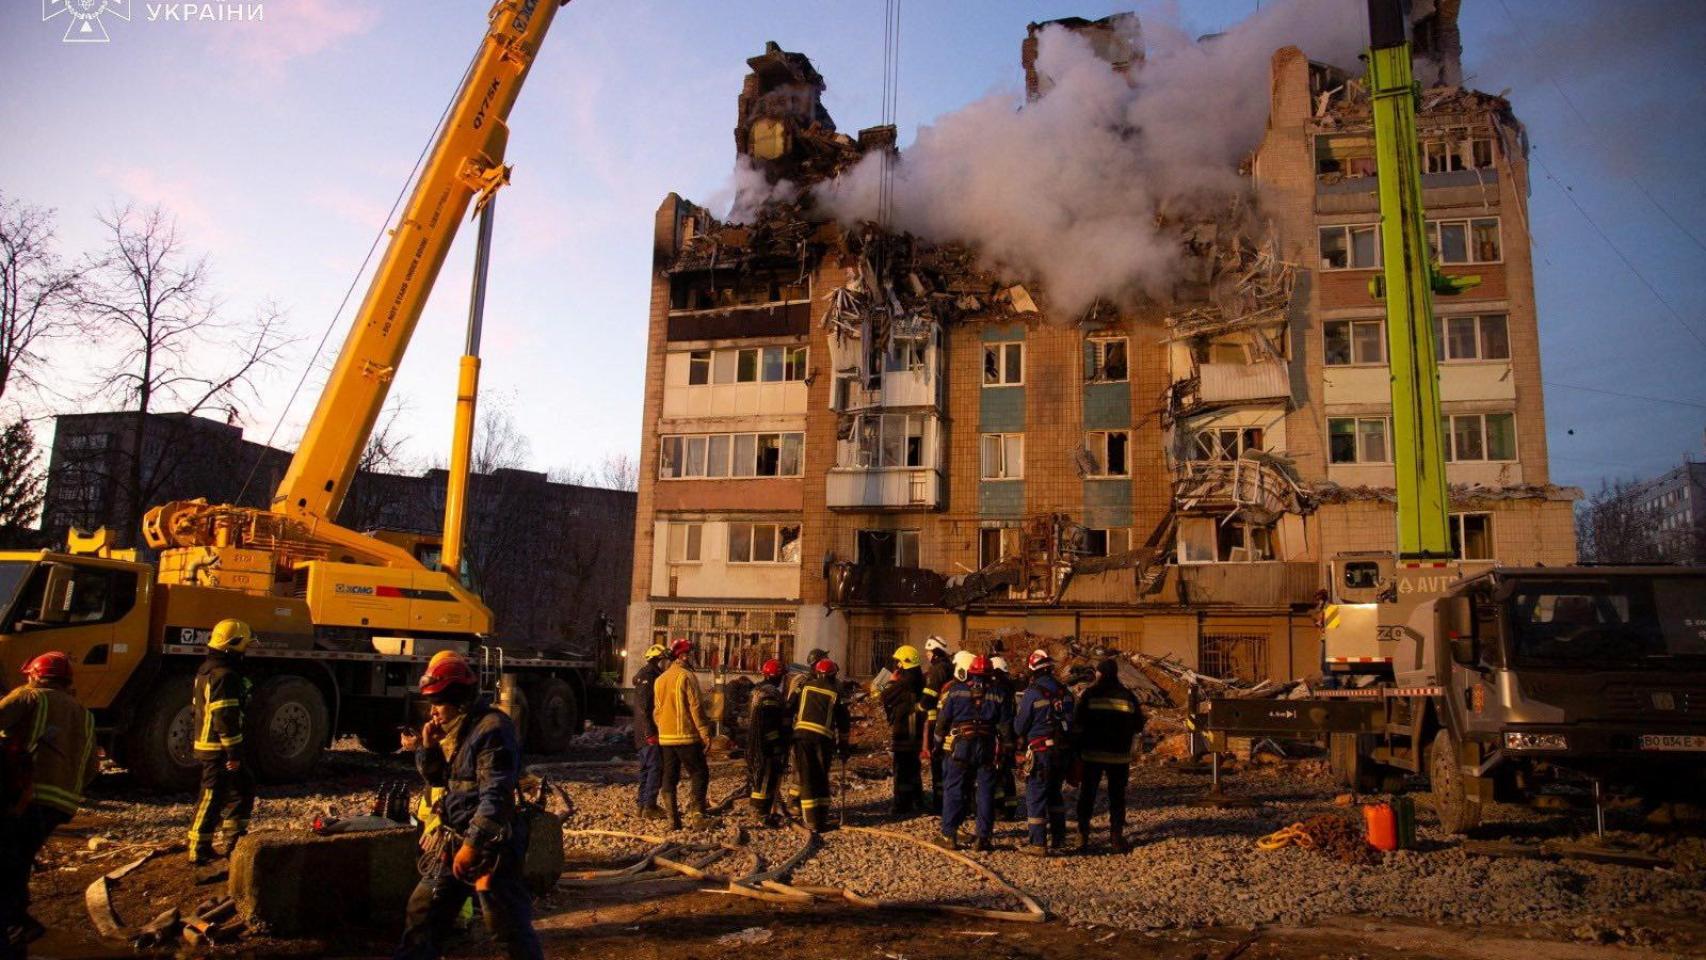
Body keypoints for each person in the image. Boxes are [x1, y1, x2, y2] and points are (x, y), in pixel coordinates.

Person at [395, 652, 542, 960]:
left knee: (506, 926)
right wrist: (428, 747)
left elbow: (497, 796)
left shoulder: (491, 730)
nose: (433, 712)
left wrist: (473, 846)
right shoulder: (460, 731)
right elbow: (440, 781)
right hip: (455, 839)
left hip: (491, 848)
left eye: (438, 703)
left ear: (457, 698)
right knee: (422, 916)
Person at [0, 652, 98, 954]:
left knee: (8, 861)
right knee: (18, 859)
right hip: (61, 804)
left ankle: (15, 923)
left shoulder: (29, 697)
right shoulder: (84, 713)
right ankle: (15, 925)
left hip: (25, 797)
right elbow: (92, 767)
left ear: (34, 675)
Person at [187, 619, 255, 867]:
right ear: (234, 644)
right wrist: (233, 753)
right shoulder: (224, 676)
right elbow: (224, 718)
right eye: (244, 645)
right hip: (219, 748)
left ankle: (234, 842)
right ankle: (199, 848)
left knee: (242, 789)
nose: (246, 651)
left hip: (214, 745)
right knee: (212, 795)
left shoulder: (208, 669)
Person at [931, 655, 1006, 852]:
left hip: (962, 746)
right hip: (987, 746)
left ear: (969, 671)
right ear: (991, 674)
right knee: (985, 791)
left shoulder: (956, 691)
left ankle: (949, 835)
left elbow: (942, 723)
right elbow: (1006, 726)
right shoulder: (999, 693)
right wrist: (1007, 749)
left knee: (954, 788)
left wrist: (937, 746)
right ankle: (983, 837)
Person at [1073, 658, 1142, 853]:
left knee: (1087, 795)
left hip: (1092, 755)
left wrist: (1077, 750)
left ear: (1099, 673)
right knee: (1117, 797)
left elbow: (1078, 723)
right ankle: (1116, 838)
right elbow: (1138, 725)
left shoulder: (1090, 694)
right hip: (1118, 757)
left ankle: (1082, 836)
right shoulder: (1128, 696)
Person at [1012, 650, 1074, 856]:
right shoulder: (1064, 691)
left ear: (1033, 671)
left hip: (1041, 752)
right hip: (1063, 752)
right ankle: (1059, 838)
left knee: (1036, 796)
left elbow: (1020, 727)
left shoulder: (1032, 693)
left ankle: (1038, 843)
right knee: (1055, 793)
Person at [652, 638, 714, 829]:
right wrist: (704, 732)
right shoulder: (686, 676)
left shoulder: (660, 679)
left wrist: (663, 729)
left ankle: (673, 820)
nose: (692, 658)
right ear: (683, 656)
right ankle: (697, 816)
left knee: (669, 775)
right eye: (690, 654)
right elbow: (695, 707)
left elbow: (656, 711)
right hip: (686, 736)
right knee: (699, 772)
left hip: (666, 739)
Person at [787, 658, 849, 833]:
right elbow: (844, 722)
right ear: (833, 674)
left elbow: (789, 706)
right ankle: (818, 819)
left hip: (801, 738)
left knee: (806, 776)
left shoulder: (804, 686)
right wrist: (844, 745)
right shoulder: (836, 692)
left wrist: (786, 732)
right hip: (823, 740)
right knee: (820, 777)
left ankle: (812, 819)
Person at [878, 645, 926, 815]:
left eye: (898, 661)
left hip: (905, 730)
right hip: (916, 730)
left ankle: (901, 804)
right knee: (913, 766)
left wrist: (891, 681)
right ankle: (917, 801)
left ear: (904, 663)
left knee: (901, 768)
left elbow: (883, 694)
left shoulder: (904, 682)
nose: (897, 664)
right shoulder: (920, 679)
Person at [745, 659, 790, 824]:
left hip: (752, 742)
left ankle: (764, 809)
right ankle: (761, 812)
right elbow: (769, 723)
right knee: (766, 777)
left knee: (758, 775)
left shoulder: (757, 690)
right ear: (778, 677)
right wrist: (777, 744)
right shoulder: (771, 694)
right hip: (766, 744)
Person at [630, 644, 668, 819]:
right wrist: (650, 732)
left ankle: (642, 805)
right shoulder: (650, 677)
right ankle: (650, 806)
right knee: (655, 767)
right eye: (664, 660)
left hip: (642, 732)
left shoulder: (645, 676)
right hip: (648, 732)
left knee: (646, 768)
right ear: (658, 660)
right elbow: (645, 707)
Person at [920, 637, 952, 812]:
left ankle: (939, 804)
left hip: (935, 722)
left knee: (937, 761)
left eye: (928, 651)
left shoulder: (937, 670)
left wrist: (918, 707)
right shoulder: (950, 667)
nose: (927, 655)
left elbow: (928, 699)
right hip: (947, 721)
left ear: (935, 653)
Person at [989, 656, 1020, 823]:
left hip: (999, 737)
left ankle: (1000, 809)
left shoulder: (997, 689)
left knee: (997, 773)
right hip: (1008, 737)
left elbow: (1002, 718)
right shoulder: (1009, 688)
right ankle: (1009, 808)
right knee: (1006, 773)